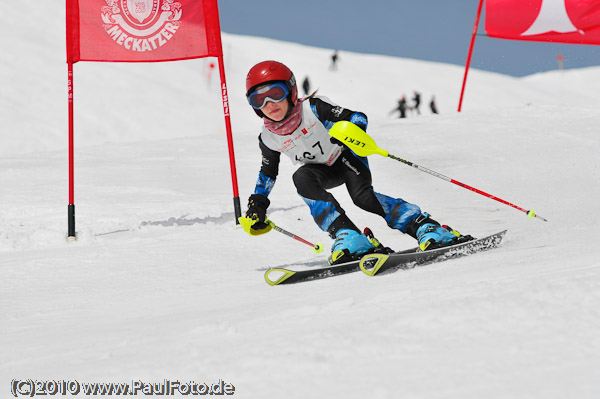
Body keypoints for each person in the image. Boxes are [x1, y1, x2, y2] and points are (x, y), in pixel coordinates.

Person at [239, 60, 464, 264]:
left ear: (291, 91)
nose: (269, 103)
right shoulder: (268, 138)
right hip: (321, 171)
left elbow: (357, 117)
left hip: (346, 157)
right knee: (301, 177)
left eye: (276, 93)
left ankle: (426, 226)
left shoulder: (314, 108)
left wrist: (351, 131)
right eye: (259, 99)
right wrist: (257, 204)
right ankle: (350, 237)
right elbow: (268, 173)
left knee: (363, 197)